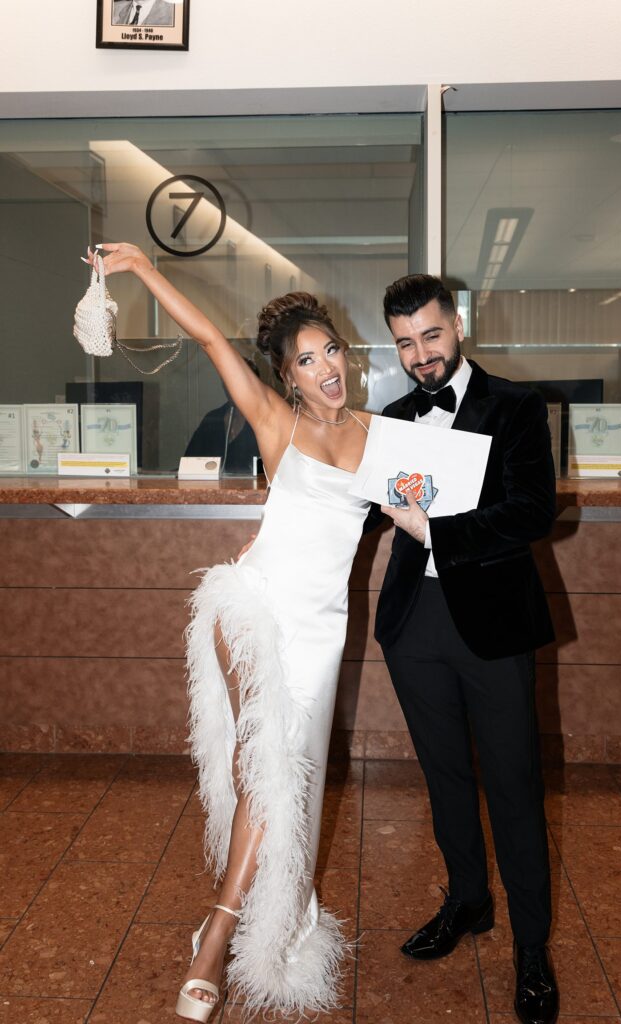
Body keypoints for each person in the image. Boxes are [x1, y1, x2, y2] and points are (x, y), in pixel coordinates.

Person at [84, 243, 371, 1022]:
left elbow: (428, 508)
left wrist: (421, 513)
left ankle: (242, 921)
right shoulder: (277, 423)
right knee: (268, 768)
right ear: (287, 377)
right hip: (255, 610)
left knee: (280, 779)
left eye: (331, 351)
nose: (326, 369)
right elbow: (212, 340)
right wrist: (142, 270)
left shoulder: (381, 437)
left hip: (322, 635)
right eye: (307, 361)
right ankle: (217, 936)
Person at [368, 274, 559, 1024]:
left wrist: (435, 532)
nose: (421, 356)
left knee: (512, 785)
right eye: (405, 344)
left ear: (459, 324)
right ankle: (467, 902)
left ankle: (532, 948)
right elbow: (360, 514)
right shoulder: (391, 418)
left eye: (431, 336)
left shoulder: (514, 407)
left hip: (493, 628)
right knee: (445, 779)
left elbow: (532, 513)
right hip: (414, 626)